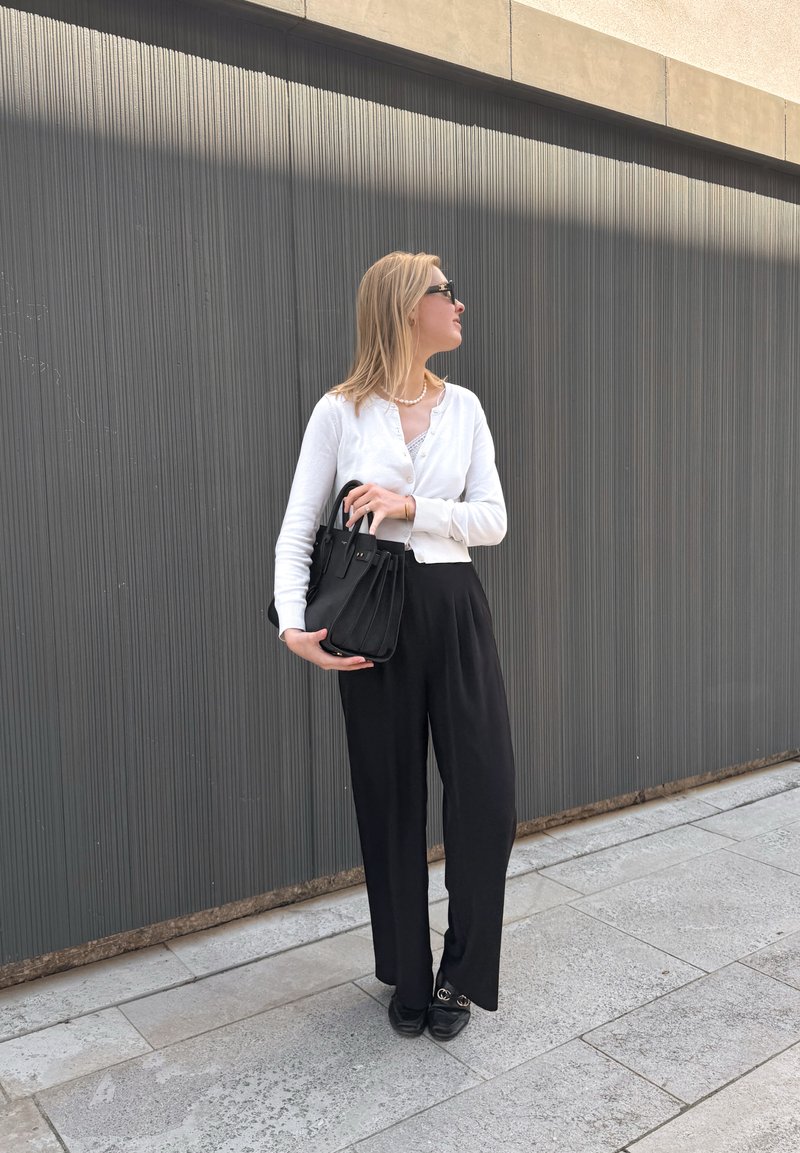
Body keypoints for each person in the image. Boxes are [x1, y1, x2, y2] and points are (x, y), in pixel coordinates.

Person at [273, 251, 517, 1040]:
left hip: (453, 607)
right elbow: (297, 528)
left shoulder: (467, 408)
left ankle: (460, 972)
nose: (460, 305)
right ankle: (408, 976)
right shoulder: (340, 411)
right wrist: (291, 625)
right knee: (390, 800)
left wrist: (413, 506)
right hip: (375, 620)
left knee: (486, 795)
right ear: (408, 306)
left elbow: (493, 519)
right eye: (448, 292)